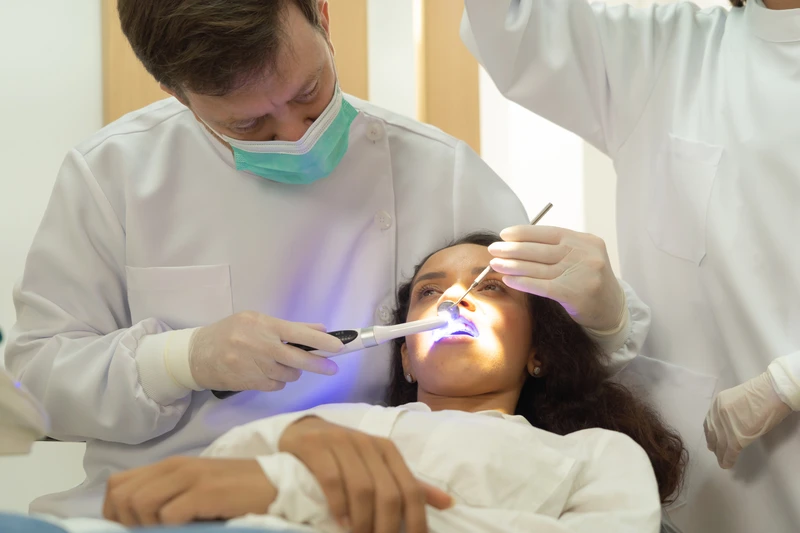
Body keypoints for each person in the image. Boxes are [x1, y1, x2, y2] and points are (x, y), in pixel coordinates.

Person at [3, 0, 650, 527]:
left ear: (322, 16)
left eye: (309, 92)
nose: (295, 133)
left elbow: (570, 342)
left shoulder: (442, 175)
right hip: (146, 506)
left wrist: (610, 315)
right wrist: (183, 358)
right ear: (177, 93)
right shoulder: (113, 174)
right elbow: (37, 379)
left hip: (347, 505)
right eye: (251, 125)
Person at [459, 0, 800, 531]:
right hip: (713, 489)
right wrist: (612, 321)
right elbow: (513, 28)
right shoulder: (666, 53)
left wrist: (788, 381)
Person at [95, 233, 684, 533]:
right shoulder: (329, 425)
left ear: (538, 354)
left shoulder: (597, 454)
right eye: (431, 290)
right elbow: (203, 489)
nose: (455, 297)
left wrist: (303, 492)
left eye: (491, 288)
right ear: (405, 358)